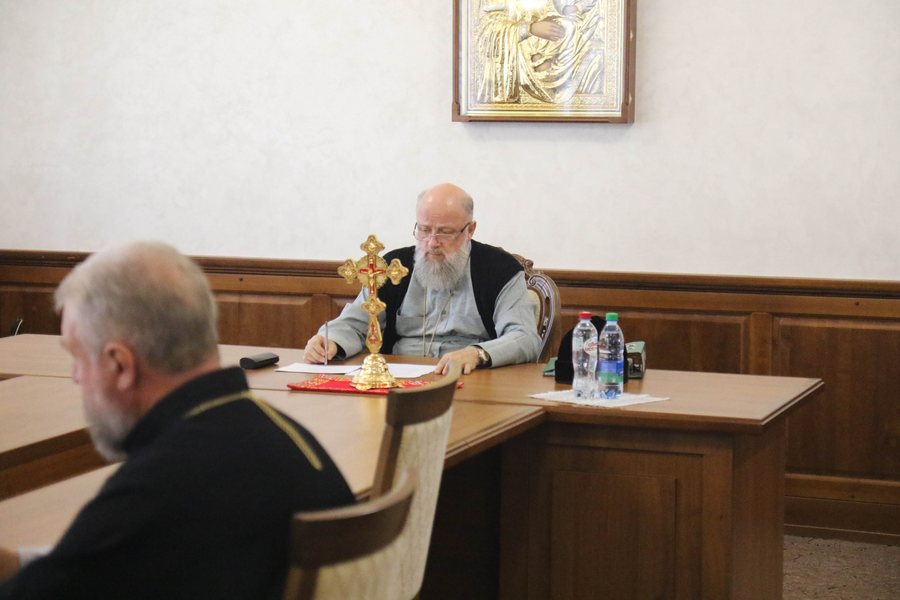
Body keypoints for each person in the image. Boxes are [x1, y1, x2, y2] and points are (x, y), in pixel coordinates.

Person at [0, 241, 354, 599]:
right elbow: (114, 564)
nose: (76, 377)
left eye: (78, 359)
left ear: (120, 365)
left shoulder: (158, 487)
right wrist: (19, 563)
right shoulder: (280, 434)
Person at [304, 183, 541, 374]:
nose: (432, 242)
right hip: (397, 381)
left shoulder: (498, 270)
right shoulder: (394, 267)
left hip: (471, 380)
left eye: (445, 232)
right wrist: (329, 341)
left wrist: (477, 353)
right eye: (425, 230)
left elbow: (524, 337)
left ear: (470, 229)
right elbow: (354, 324)